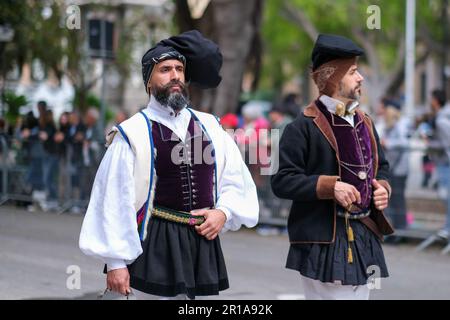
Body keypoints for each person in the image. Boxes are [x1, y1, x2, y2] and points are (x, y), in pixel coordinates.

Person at [79, 30, 259, 300]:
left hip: (202, 245)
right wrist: (116, 262)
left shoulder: (209, 126)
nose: (175, 75)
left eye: (179, 69)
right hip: (154, 244)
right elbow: (114, 200)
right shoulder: (133, 133)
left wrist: (223, 212)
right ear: (148, 81)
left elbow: (235, 178)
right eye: (164, 69)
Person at [271, 34, 394, 300]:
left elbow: (382, 167)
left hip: (364, 232)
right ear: (332, 78)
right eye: (352, 71)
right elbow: (281, 181)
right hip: (324, 237)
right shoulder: (301, 126)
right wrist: (330, 187)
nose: (360, 78)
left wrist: (383, 187)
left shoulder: (365, 122)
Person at [379, 99, 411, 233]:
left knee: (398, 201)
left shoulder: (399, 126)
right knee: (392, 201)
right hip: (393, 168)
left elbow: (404, 143)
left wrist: (388, 143)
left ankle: (401, 230)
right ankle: (394, 230)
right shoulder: (388, 126)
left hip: (399, 170)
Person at [428, 89, 450, 239]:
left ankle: (447, 228)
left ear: (436, 100)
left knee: (446, 195)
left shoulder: (441, 119)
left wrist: (429, 142)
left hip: (445, 162)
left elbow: (446, 143)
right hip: (444, 162)